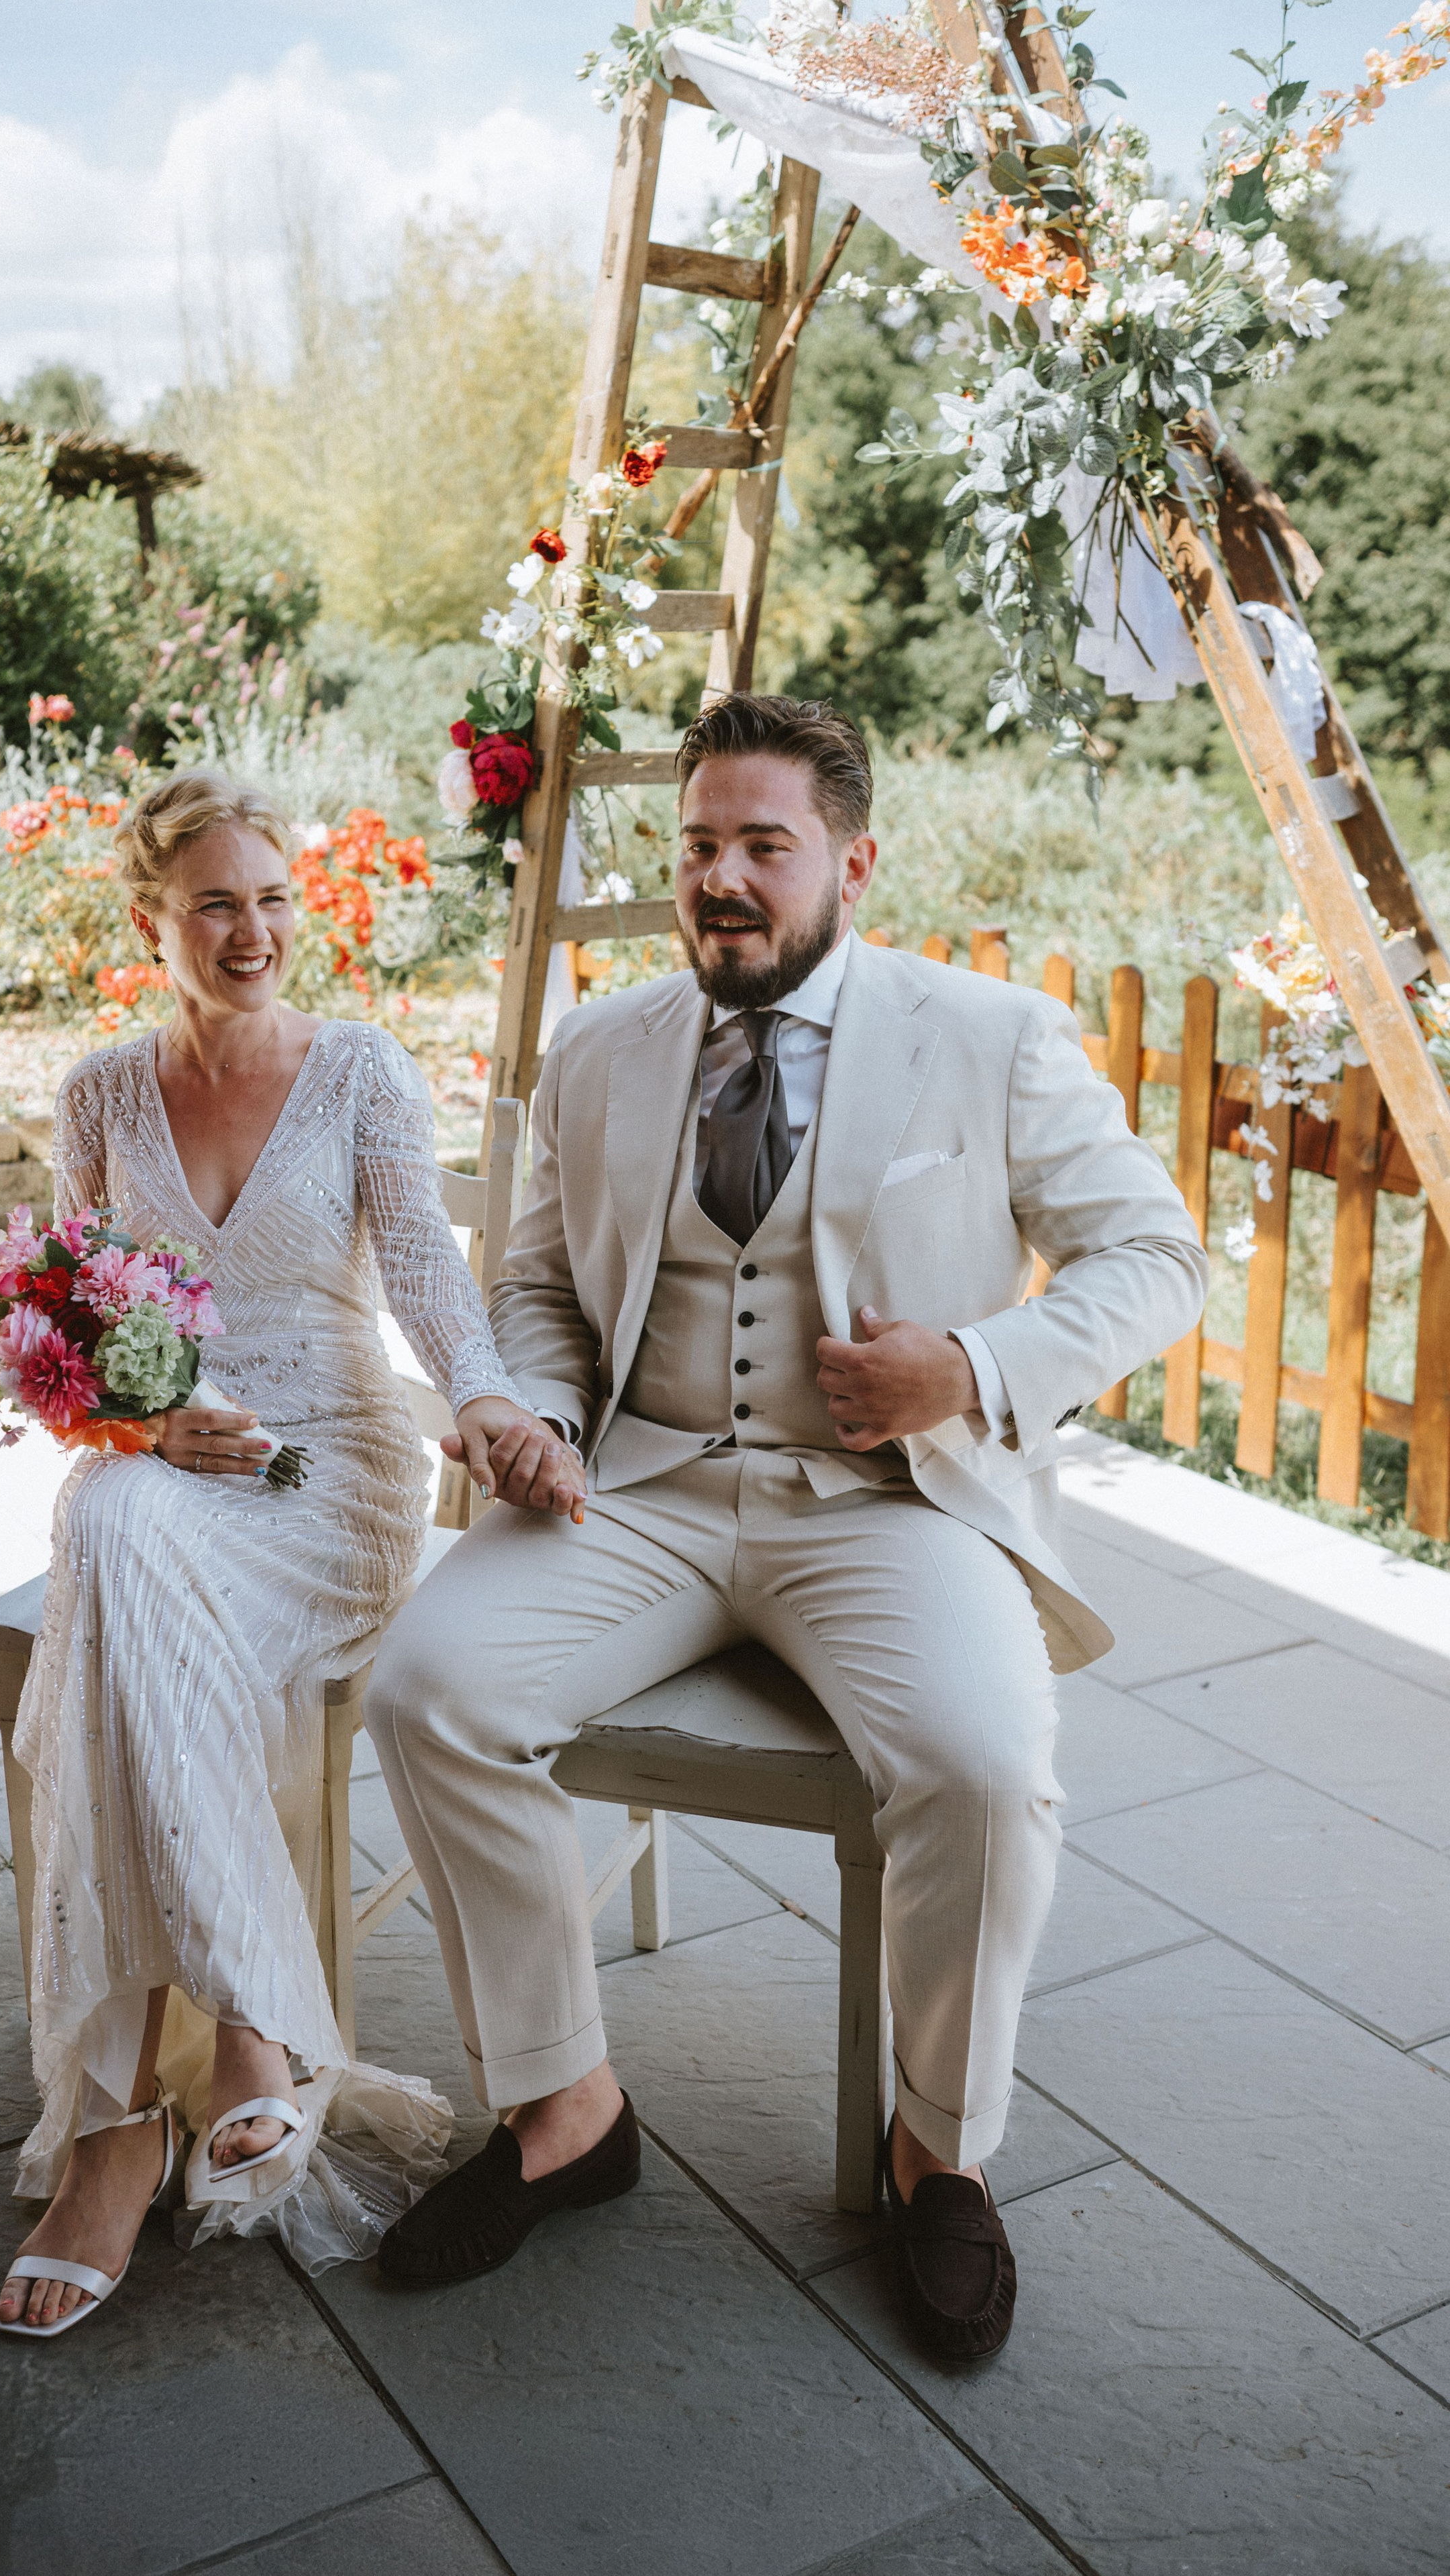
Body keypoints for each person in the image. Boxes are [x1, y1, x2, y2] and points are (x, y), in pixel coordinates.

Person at [366, 693, 1208, 2361]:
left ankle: (935, 2149)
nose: (723, 879)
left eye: (764, 844)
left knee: (982, 1769)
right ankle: (562, 2108)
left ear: (851, 864)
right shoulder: (599, 1050)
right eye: (699, 845)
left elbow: (1156, 1259)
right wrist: (535, 1415)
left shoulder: (991, 1038)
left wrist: (969, 1366)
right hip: (643, 1488)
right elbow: (538, 1286)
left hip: (885, 1507)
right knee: (427, 1693)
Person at [0, 769, 558, 2337]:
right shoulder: (102, 1094)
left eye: (274, 900)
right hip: (174, 1469)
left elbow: (428, 1280)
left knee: (108, 1582)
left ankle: (115, 2134)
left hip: (331, 1475)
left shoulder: (359, 1070)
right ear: (149, 921)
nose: (252, 933)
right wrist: (144, 1421)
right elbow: (67, 1333)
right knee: (108, 1517)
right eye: (215, 906)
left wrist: (488, 1400)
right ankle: (239, 2024)